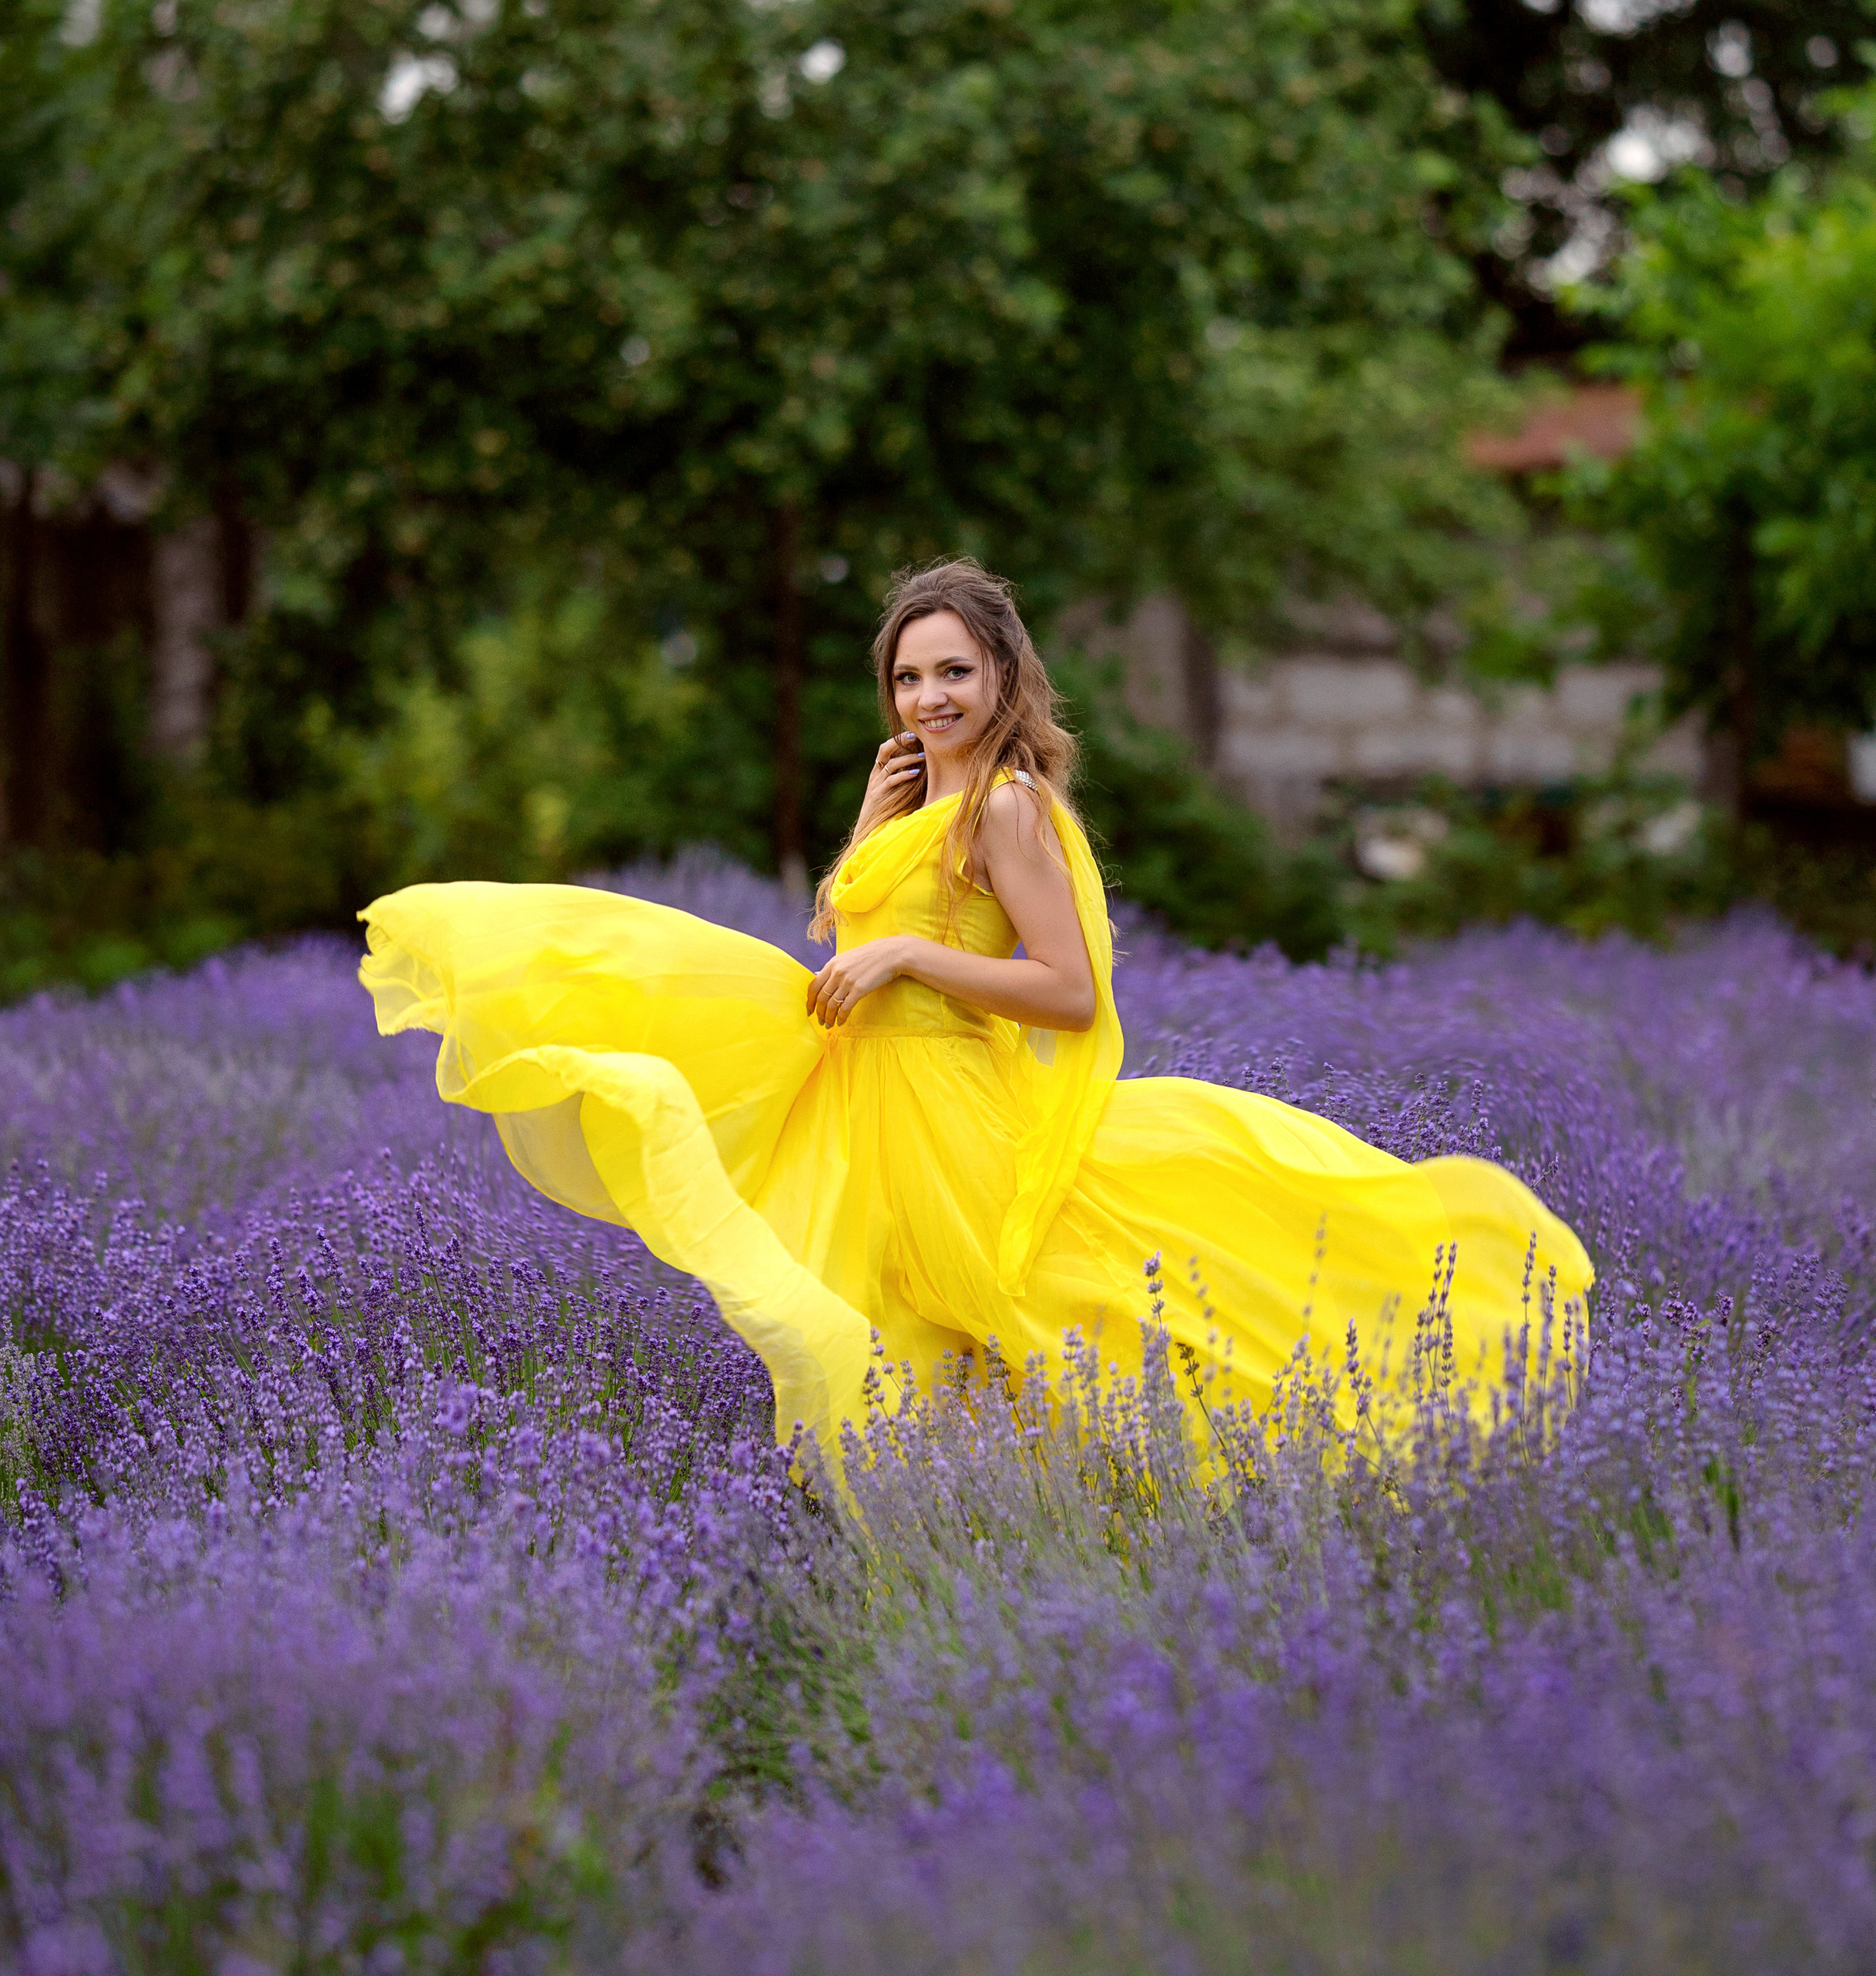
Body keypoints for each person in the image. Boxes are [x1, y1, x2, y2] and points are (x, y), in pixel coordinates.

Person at [359, 558, 1592, 1486]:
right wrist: (863, 840)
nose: (930, 694)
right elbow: (841, 958)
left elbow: (1070, 990)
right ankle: (974, 1547)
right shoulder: (910, 796)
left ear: (1003, 675)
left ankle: (1107, 1538)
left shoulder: (1006, 808)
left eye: (954, 671)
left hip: (954, 1113)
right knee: (918, 1363)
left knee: (1031, 1337)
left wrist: (908, 953)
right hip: (866, 1108)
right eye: (908, 674)